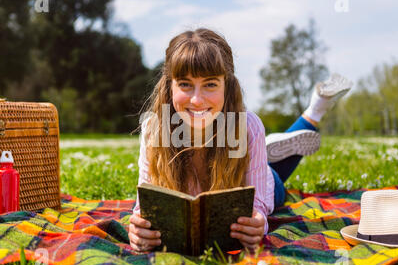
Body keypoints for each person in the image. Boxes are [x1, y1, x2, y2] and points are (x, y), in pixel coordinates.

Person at [128, 28, 352, 252]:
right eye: (185, 84)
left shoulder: (249, 127)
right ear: (170, 86)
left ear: (227, 85)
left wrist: (258, 222)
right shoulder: (153, 129)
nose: (196, 100)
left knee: (275, 179)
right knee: (261, 161)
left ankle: (316, 109)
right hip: (244, 156)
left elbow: (258, 206)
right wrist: (139, 228)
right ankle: (270, 146)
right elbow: (144, 203)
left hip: (261, 181)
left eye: (210, 84)